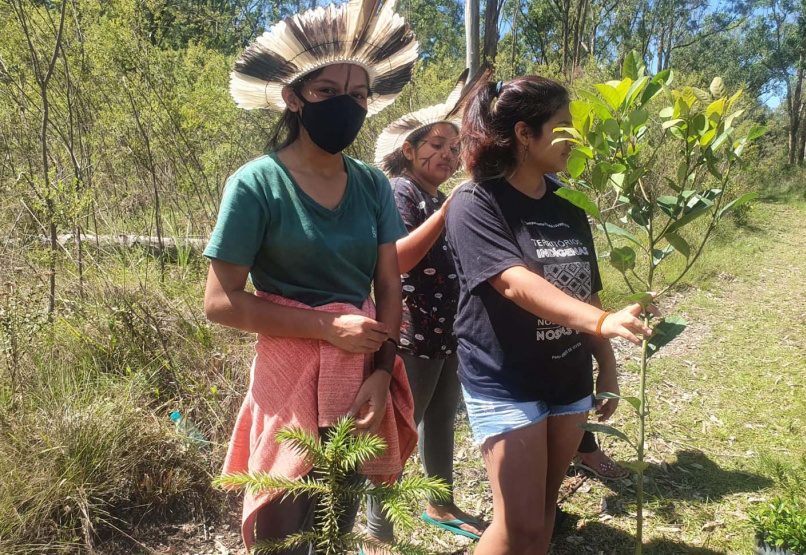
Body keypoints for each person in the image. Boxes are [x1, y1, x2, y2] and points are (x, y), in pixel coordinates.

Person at [202, 1, 420, 551]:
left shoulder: (371, 185)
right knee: (282, 518)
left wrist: (380, 370)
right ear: (294, 98)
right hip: (290, 376)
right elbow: (221, 301)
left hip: (359, 374)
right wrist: (326, 329)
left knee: (335, 521)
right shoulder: (257, 185)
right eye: (327, 92)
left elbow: (389, 288)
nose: (346, 105)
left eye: (358, 95)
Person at [445, 75, 653, 555]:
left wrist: (608, 363)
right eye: (563, 126)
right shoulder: (475, 202)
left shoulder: (568, 201)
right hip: (505, 381)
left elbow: (588, 290)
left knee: (541, 516)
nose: (573, 139)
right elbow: (515, 281)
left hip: (568, 381)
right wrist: (601, 324)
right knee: (516, 525)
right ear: (524, 133)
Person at [363, 69, 489, 552]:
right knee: (395, 426)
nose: (447, 155)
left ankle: (439, 501)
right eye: (436, 144)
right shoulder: (401, 191)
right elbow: (398, 258)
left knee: (440, 420)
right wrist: (444, 213)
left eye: (454, 149)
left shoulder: (439, 197)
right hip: (412, 332)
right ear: (410, 150)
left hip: (449, 332)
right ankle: (379, 529)